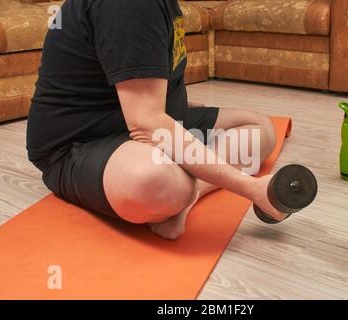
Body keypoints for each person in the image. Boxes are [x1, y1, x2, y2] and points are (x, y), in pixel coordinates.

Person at [26, 0, 289, 240]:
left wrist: (181, 110)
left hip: (147, 116)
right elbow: (146, 123)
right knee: (162, 184)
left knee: (260, 130)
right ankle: (180, 193)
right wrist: (251, 188)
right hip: (82, 142)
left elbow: (150, 79)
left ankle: (191, 194)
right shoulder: (130, 6)